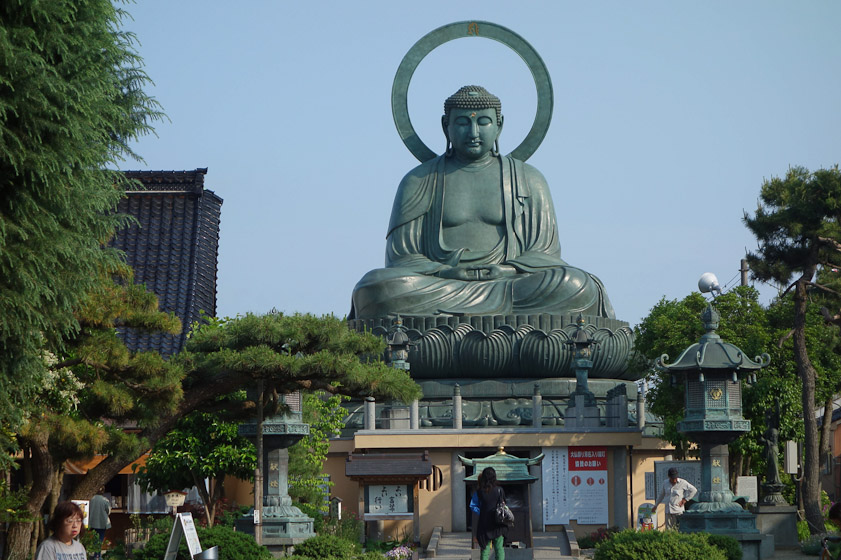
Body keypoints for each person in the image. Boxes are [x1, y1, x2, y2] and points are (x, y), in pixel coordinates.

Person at [350, 85, 615, 320]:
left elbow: (545, 254)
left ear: (499, 125)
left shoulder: (529, 179)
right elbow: (401, 257)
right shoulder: (419, 180)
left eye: (484, 122)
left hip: (511, 284)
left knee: (575, 284)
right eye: (463, 122)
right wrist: (446, 273)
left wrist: (506, 270)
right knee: (376, 287)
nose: (473, 132)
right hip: (442, 285)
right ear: (446, 126)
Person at [471, 467, 507, 560]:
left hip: (484, 525)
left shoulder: (479, 493)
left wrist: (475, 532)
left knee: (484, 550)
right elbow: (504, 505)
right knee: (499, 549)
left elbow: (474, 509)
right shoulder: (499, 490)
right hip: (498, 524)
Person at [88, 490, 111, 559]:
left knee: (95, 538)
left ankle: (96, 554)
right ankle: (97, 555)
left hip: (92, 521)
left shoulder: (91, 499)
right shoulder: (105, 500)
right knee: (100, 538)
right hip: (102, 521)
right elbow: (108, 510)